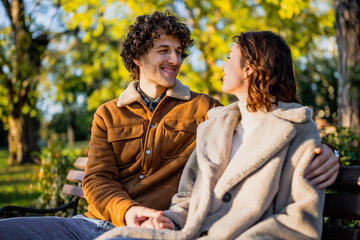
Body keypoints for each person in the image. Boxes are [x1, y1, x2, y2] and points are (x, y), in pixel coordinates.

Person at [0, 12, 338, 240]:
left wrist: (328, 152)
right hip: (89, 223)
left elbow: (265, 122)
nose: (175, 60)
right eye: (164, 50)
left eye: (179, 51)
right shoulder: (107, 113)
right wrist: (128, 211)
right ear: (137, 58)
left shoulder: (208, 110)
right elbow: (97, 179)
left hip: (156, 230)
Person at [97, 31, 327, 240]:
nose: (222, 67)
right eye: (164, 51)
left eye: (229, 58)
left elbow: (299, 222)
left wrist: (328, 150)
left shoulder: (294, 128)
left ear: (249, 68)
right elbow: (189, 196)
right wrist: (171, 218)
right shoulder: (217, 125)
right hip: (182, 231)